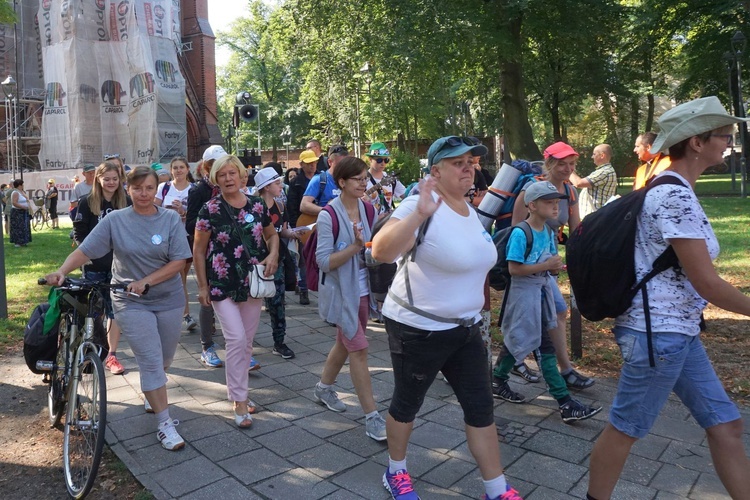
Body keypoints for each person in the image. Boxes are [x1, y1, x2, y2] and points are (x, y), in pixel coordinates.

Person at [587, 96, 750, 499]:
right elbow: (707, 283)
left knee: (726, 425)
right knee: (625, 429)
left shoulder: (672, 189)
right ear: (696, 142)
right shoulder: (675, 196)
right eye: (723, 136)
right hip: (658, 335)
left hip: (674, 332)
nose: (728, 143)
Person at [372, 136, 521, 500]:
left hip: (466, 328)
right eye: (458, 162)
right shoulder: (418, 205)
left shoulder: (471, 211)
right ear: (435, 171)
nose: (468, 167)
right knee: (407, 404)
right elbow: (381, 250)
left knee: (481, 407)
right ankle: (396, 471)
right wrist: (421, 212)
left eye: (471, 161)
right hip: (417, 328)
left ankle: (496, 488)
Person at [46, 166, 192, 451]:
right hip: (129, 300)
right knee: (150, 360)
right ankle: (164, 423)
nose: (143, 193)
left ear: (155, 188)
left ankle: (154, 392)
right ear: (128, 189)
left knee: (163, 359)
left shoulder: (170, 219)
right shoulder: (116, 220)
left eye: (149, 188)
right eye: (137, 188)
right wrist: (62, 270)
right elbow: (86, 249)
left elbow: (179, 262)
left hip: (169, 299)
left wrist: (147, 281)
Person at [491, 181, 602, 422]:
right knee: (544, 347)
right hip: (524, 298)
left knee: (519, 338)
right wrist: (546, 266)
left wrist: (552, 269)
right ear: (532, 205)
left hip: (540, 295)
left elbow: (551, 268)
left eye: (556, 203)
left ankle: (497, 380)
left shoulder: (549, 232)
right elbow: (514, 269)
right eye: (548, 202)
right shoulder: (521, 233)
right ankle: (565, 402)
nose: (555, 207)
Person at [193, 155, 280, 428]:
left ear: (243, 177)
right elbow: (198, 250)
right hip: (221, 283)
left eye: (233, 173)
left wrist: (273, 255)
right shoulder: (210, 209)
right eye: (223, 174)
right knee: (236, 339)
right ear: (215, 179)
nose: (228, 178)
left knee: (247, 342)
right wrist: (202, 286)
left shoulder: (256, 204)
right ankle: (240, 402)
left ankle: (238, 394)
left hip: (252, 283)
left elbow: (272, 234)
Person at [312, 156, 387, 442]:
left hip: (363, 292)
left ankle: (323, 388)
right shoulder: (327, 215)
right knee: (359, 350)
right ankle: (372, 417)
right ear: (341, 182)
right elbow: (324, 262)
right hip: (341, 294)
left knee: (343, 345)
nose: (363, 183)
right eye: (357, 179)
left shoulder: (367, 209)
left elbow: (368, 251)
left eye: (365, 178)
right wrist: (355, 247)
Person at [509, 141, 594, 389]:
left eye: (572, 164)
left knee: (552, 313)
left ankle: (559, 368)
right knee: (537, 315)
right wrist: (534, 263)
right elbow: (516, 229)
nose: (568, 168)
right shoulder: (531, 189)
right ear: (549, 163)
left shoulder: (570, 192)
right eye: (562, 164)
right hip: (527, 267)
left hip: (550, 266)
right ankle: (517, 366)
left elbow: (576, 230)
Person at [73, 161, 132, 375]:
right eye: (106, 179)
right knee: (93, 312)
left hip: (118, 265)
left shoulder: (126, 201)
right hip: (94, 264)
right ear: (98, 178)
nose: (111, 183)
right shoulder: (86, 202)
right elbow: (79, 233)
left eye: (115, 179)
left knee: (115, 310)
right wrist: (85, 255)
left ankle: (112, 355)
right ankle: (90, 351)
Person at [186, 145, 232, 369]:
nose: (222, 171)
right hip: (209, 253)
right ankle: (207, 347)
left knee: (234, 300)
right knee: (207, 299)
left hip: (231, 254)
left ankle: (238, 348)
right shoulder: (198, 190)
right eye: (216, 166)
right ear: (206, 167)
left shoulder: (231, 187)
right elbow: (191, 223)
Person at [254, 166, 298, 359]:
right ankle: (243, 343)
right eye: (277, 182)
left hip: (277, 260)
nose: (281, 185)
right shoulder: (253, 207)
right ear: (266, 187)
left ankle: (279, 342)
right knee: (251, 303)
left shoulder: (280, 205)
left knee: (278, 302)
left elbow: (283, 231)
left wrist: (296, 233)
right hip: (256, 263)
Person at [155, 156, 197, 332]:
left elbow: (198, 215)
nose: (178, 170)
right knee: (178, 277)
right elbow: (153, 210)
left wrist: (183, 211)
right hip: (166, 238)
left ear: (188, 169)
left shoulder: (194, 190)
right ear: (171, 170)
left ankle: (180, 314)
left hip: (186, 237)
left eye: (181, 167)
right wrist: (167, 212)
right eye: (175, 168)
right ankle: (184, 315)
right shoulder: (163, 188)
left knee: (181, 278)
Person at [287, 149, 319, 305]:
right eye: (309, 163)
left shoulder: (322, 178)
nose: (312, 165)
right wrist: (295, 227)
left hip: (320, 221)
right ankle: (304, 289)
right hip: (303, 223)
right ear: (301, 165)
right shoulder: (295, 183)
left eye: (314, 162)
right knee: (303, 257)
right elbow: (292, 206)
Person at [570, 144, 618, 219]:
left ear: (602, 155)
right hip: (595, 217)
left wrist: (568, 168)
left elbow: (578, 183)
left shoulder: (605, 172)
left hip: (595, 218)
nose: (592, 157)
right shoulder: (604, 170)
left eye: (594, 154)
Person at [299, 144, 349, 216]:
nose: (344, 167)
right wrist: (327, 211)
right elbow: (304, 205)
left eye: (346, 164)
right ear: (329, 162)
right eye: (339, 164)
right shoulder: (319, 179)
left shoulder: (350, 180)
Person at [364, 142, 406, 215]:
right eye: (379, 160)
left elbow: (407, 196)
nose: (383, 163)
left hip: (386, 223)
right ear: (370, 159)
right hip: (369, 223)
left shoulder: (391, 179)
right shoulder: (361, 179)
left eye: (386, 160)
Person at [9, 179, 31, 247]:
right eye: (22, 185)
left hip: (23, 212)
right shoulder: (15, 192)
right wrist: (23, 207)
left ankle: (24, 241)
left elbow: (26, 198)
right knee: (18, 227)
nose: (23, 186)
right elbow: (14, 202)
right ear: (19, 185)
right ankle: (18, 242)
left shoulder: (21, 192)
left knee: (24, 227)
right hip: (17, 212)